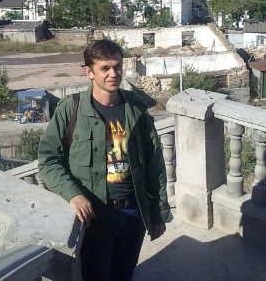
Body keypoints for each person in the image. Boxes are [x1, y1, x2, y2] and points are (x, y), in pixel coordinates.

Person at [38, 39, 172, 281]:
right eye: (105, 68)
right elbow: (48, 160)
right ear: (89, 72)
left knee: (124, 274)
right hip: (95, 216)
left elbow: (154, 163)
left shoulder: (136, 108)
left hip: (133, 212)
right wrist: (73, 194)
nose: (113, 74)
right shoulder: (71, 109)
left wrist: (158, 211)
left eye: (117, 67)